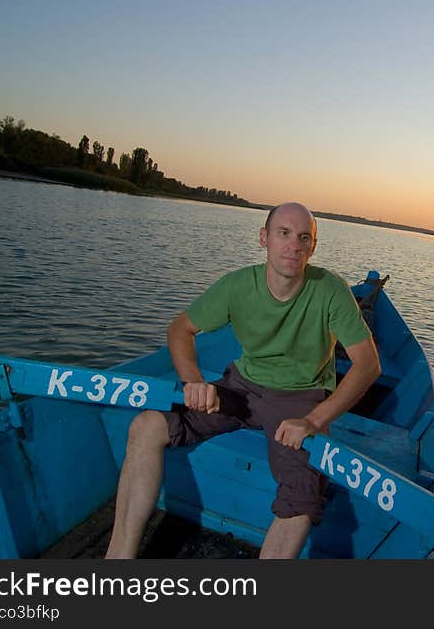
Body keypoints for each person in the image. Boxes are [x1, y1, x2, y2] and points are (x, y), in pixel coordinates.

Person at [105, 202, 381, 559]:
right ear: (264, 238)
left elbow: (368, 365)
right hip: (241, 386)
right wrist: (193, 381)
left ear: (313, 247)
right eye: (283, 233)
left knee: (301, 493)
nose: (293, 245)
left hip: (300, 398)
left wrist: (314, 420)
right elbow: (180, 329)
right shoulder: (238, 286)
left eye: (303, 238)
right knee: (145, 426)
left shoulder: (330, 290)